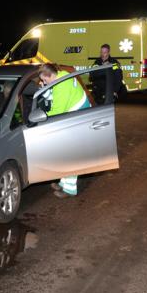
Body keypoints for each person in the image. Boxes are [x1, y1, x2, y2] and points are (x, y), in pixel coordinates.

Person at [38, 63, 91, 198]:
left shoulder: (61, 85)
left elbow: (58, 110)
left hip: (79, 118)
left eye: (45, 80)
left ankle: (69, 189)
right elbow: (55, 98)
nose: (44, 82)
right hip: (77, 116)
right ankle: (63, 182)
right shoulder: (62, 75)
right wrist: (45, 90)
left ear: (51, 75)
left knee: (71, 154)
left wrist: (43, 117)